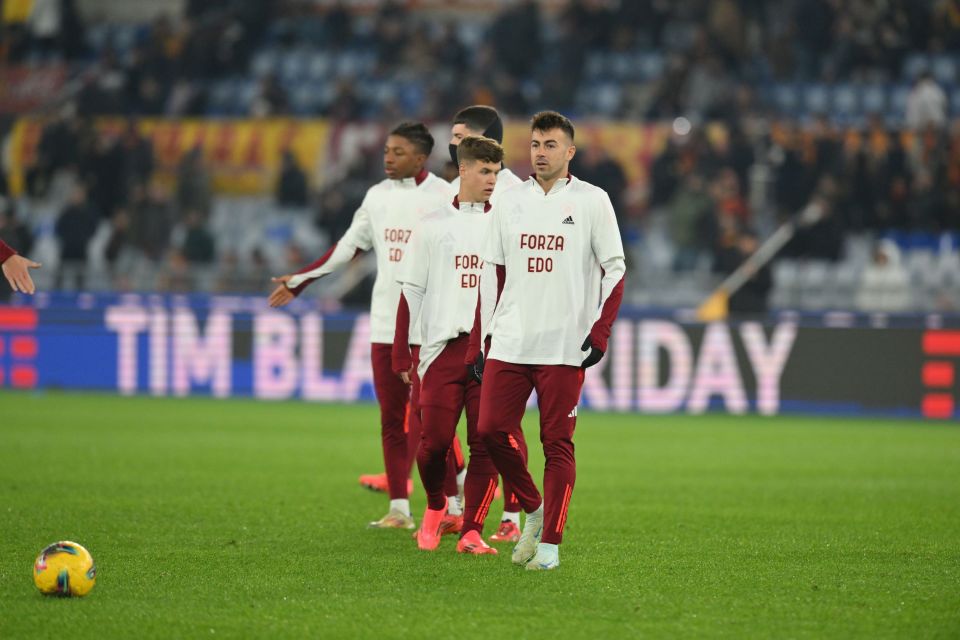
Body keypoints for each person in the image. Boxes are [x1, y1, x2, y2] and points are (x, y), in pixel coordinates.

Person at [268, 122, 453, 529]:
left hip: (431, 328)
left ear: (420, 158)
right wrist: (300, 282)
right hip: (386, 324)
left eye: (398, 152)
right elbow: (346, 248)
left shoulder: (446, 196)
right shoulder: (376, 197)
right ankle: (400, 510)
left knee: (431, 418)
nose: (388, 157)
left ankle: (452, 503)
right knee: (392, 416)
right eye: (387, 150)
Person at [468, 111, 625, 570]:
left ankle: (551, 545)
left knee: (557, 442)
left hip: (564, 344)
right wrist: (484, 338)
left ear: (570, 151)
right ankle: (533, 508)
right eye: (535, 144)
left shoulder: (593, 201)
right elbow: (491, 273)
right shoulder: (510, 201)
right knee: (490, 429)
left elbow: (615, 269)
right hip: (511, 339)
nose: (540, 152)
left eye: (551, 144)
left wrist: (600, 330)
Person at [393, 135, 504, 555]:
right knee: (434, 443)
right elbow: (411, 292)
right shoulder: (432, 224)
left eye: (495, 172)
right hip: (440, 349)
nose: (492, 180)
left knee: (484, 442)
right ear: (463, 170)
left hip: (489, 354)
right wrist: (401, 351)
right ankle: (437, 506)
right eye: (484, 171)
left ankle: (473, 528)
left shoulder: (506, 223)